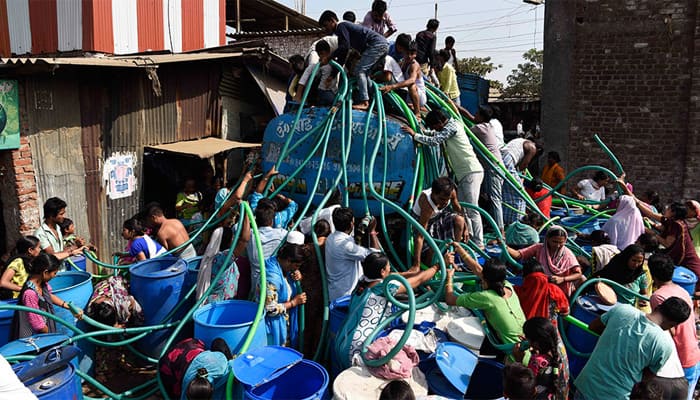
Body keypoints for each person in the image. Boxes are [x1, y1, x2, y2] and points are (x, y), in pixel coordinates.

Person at [335, 251, 449, 369]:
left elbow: (392, 276)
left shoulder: (363, 280)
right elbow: (418, 281)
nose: (390, 268)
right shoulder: (383, 288)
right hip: (358, 345)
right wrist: (438, 266)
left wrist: (409, 273)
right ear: (382, 272)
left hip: (342, 338)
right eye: (388, 266)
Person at [574, 297, 690, 400]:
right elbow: (646, 378)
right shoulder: (664, 344)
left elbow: (593, 327)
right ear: (673, 324)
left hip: (587, 385)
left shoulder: (622, 310)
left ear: (658, 307)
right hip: (617, 395)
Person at [402, 110, 484, 248]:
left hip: (471, 171)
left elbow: (435, 141)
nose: (434, 129)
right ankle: (469, 240)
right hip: (465, 173)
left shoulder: (452, 127)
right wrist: (422, 132)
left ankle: (479, 243)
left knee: (471, 209)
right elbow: (436, 134)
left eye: (434, 126)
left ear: (440, 122)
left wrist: (415, 135)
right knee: (463, 207)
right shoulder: (450, 126)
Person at [445, 256, 526, 360]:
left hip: (513, 356)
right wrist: (460, 250)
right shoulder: (508, 286)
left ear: (485, 279)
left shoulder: (486, 297)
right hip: (523, 345)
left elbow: (450, 299)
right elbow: (479, 270)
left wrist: (449, 278)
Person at [649, 254, 700, 400]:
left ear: (653, 274)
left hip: (679, 359)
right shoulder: (682, 291)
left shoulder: (658, 296)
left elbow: (667, 330)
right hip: (693, 355)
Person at [319, 10, 389, 111]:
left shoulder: (341, 26)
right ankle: (375, 96)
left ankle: (365, 102)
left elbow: (344, 47)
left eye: (326, 25)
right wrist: (332, 75)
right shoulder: (341, 33)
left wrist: (329, 57)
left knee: (359, 71)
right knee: (365, 75)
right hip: (382, 45)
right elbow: (343, 55)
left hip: (376, 45)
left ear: (332, 21)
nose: (326, 29)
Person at [11, 253, 83, 339]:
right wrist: (52, 338)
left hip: (44, 331)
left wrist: (69, 307)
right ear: (45, 272)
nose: (55, 276)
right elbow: (38, 325)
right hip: (33, 338)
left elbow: (48, 296)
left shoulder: (41, 284)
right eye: (54, 273)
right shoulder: (30, 293)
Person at [636, 201, 700, 292]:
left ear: (673, 212)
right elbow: (651, 214)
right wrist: (636, 202)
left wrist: (653, 233)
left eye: (669, 208)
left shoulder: (676, 225)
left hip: (687, 264)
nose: (666, 210)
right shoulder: (671, 222)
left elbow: (667, 243)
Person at [507, 225, 583, 297]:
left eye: (561, 242)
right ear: (547, 239)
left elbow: (578, 274)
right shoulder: (539, 248)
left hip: (561, 291)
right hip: (540, 287)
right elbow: (518, 255)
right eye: (554, 242)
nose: (558, 245)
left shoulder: (567, 253)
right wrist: (505, 246)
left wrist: (562, 279)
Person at [259, 236, 307, 347]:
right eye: (296, 266)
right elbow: (270, 309)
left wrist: (296, 274)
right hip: (272, 327)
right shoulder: (272, 278)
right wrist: (293, 303)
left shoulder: (282, 267)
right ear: (288, 261)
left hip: (284, 322)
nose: (296, 269)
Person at [410, 177, 466, 270]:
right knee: (434, 246)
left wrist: (466, 228)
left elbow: (458, 209)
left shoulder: (451, 192)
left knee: (460, 220)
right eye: (441, 199)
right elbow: (420, 236)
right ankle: (428, 270)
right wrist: (416, 264)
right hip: (422, 221)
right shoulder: (427, 204)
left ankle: (454, 255)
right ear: (433, 193)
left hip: (439, 217)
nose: (444, 203)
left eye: (447, 200)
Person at [325, 207, 379, 302]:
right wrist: (372, 232)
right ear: (351, 224)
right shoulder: (346, 246)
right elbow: (376, 258)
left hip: (336, 293)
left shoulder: (331, 237)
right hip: (346, 297)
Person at [512, 317, 569, 399]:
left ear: (535, 343)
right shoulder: (559, 349)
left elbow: (526, 387)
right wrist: (534, 349)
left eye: (527, 337)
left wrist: (519, 361)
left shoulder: (536, 362)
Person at [159, 337, 232, 400]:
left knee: (219, 343)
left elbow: (232, 366)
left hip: (188, 349)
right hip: (177, 356)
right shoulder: (187, 386)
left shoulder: (220, 365)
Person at [470, 105, 505, 231]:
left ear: (482, 116)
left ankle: (501, 233)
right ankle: (491, 225)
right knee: (486, 196)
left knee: (495, 199)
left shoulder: (479, 128)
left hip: (493, 168)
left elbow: (462, 130)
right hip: (492, 167)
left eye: (477, 113)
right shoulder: (488, 126)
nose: (474, 115)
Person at [379, 40, 425, 121]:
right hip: (408, 94)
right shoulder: (402, 62)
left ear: (416, 54)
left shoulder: (414, 65)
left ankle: (418, 114)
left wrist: (391, 87)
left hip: (419, 96)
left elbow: (411, 80)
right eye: (407, 53)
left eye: (412, 54)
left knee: (412, 85)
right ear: (403, 52)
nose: (409, 56)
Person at [515, 259, 569, 325]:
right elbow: (565, 311)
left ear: (524, 276)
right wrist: (555, 310)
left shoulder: (517, 291)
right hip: (548, 330)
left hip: (525, 329)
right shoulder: (554, 290)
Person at [501, 137, 539, 226]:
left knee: (506, 195)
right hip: (507, 162)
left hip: (500, 159)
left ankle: (506, 222)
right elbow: (523, 166)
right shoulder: (532, 148)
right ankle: (517, 224)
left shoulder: (520, 141)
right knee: (519, 195)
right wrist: (522, 175)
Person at [294, 36, 340, 106]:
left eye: (323, 54)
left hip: (331, 91)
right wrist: (298, 94)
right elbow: (307, 73)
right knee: (336, 103)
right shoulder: (318, 63)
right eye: (320, 55)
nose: (321, 57)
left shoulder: (333, 61)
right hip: (324, 91)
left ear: (329, 52)